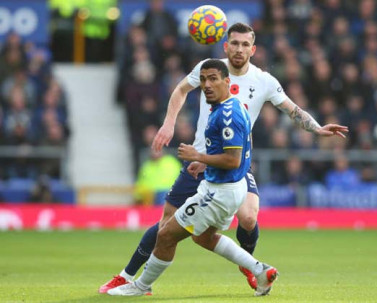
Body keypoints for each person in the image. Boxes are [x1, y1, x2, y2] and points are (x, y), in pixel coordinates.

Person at [99, 23, 348, 293]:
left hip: (232, 163)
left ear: (253, 50)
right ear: (225, 46)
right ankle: (126, 276)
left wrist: (317, 128)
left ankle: (251, 268)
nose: (239, 49)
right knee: (166, 226)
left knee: (249, 218)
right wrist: (169, 123)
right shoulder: (211, 69)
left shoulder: (263, 81)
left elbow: (292, 110)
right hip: (198, 162)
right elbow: (180, 89)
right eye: (235, 43)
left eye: (245, 45)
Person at [107, 59, 278, 296]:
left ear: (227, 82)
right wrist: (203, 162)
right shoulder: (228, 107)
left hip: (219, 192)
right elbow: (227, 154)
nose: (206, 85)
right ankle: (260, 270)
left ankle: (140, 286)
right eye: (204, 79)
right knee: (204, 238)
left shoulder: (227, 115)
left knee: (166, 234)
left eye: (213, 79)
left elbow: (233, 160)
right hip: (224, 186)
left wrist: (197, 155)